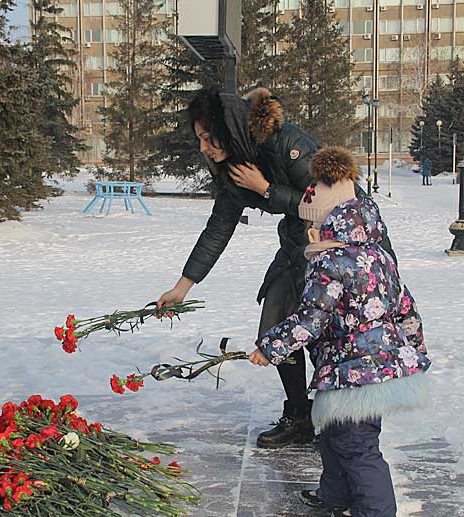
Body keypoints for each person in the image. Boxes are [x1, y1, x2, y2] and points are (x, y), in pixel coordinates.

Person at [157, 86, 396, 448]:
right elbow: (218, 227)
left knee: (331, 334)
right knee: (278, 319)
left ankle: (342, 423)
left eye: (207, 138)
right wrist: (183, 286)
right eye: (199, 140)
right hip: (299, 246)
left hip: (346, 248)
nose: (204, 148)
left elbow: (334, 204)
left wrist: (267, 189)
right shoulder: (234, 167)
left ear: (230, 128)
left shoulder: (287, 142)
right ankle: (299, 416)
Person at [249, 147, 431, 517]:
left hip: (356, 375)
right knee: (332, 436)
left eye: (310, 227)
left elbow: (310, 319)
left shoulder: (330, 264)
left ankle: (376, 511)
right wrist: (413, 349)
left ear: (323, 225)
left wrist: (270, 348)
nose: (308, 235)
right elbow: (407, 308)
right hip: (370, 370)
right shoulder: (378, 256)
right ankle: (335, 496)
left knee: (357, 447)